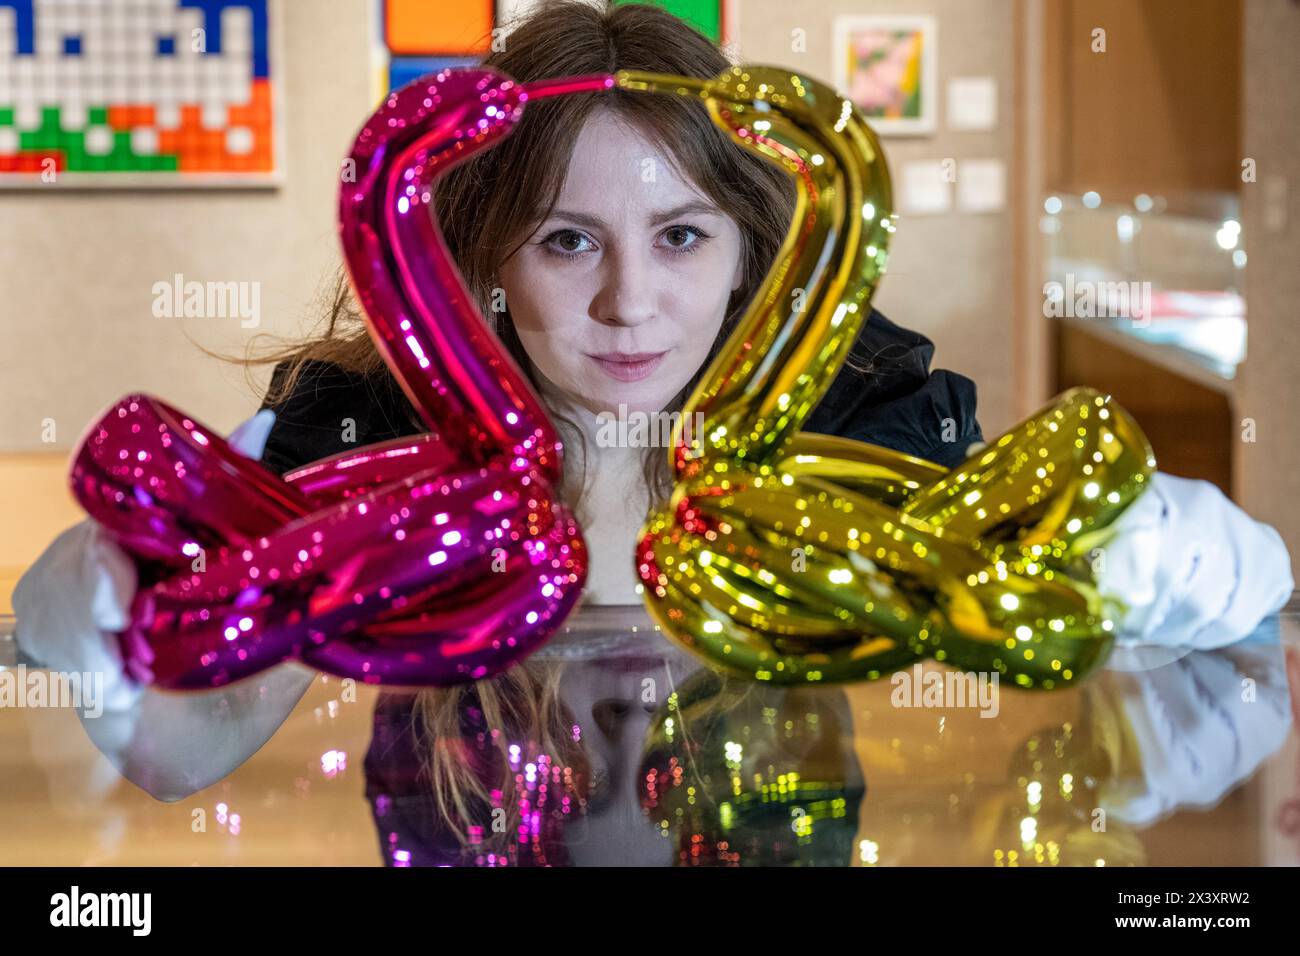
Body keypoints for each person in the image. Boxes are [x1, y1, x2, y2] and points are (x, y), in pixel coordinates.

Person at [12, 1, 1293, 866]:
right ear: (488, 261)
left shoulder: (864, 427)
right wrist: (105, 623)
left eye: (679, 234)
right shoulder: (363, 446)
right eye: (568, 240)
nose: (630, 301)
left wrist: (1187, 567)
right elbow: (182, 753)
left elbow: (1169, 664)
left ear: (743, 250)